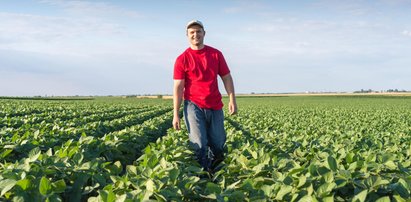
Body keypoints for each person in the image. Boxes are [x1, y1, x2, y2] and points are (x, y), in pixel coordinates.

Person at [173, 20, 237, 173]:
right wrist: (176, 113)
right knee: (199, 143)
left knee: (218, 143)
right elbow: (178, 87)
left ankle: (217, 172)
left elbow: (227, 77)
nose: (195, 35)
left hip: (215, 105)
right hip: (193, 105)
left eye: (198, 31)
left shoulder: (215, 54)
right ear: (187, 36)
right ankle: (202, 176)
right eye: (192, 32)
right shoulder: (182, 59)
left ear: (204, 33)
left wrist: (232, 99)